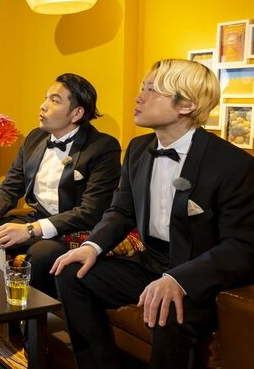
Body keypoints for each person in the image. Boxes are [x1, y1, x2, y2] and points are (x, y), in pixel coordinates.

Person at [51, 59, 254, 369]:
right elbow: (121, 211)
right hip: (151, 262)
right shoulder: (137, 148)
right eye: (142, 88)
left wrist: (179, 279)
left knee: (168, 309)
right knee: (72, 274)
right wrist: (92, 246)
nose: (139, 97)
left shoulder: (233, 164)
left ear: (186, 105)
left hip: (200, 275)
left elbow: (241, 246)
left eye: (152, 90)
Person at [0, 73, 121, 298]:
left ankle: (31, 316)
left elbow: (91, 211)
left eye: (55, 100)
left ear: (77, 113)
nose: (43, 105)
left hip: (76, 228)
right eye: (46, 98)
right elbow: (11, 186)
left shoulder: (102, 147)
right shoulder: (35, 137)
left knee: (42, 254)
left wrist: (30, 230)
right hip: (37, 218)